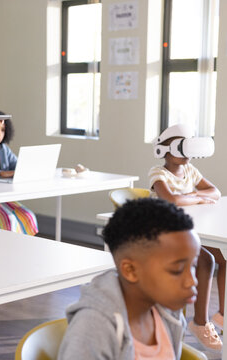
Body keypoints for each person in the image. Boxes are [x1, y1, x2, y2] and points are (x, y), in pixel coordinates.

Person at [59, 198, 199, 359]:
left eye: (193, 266)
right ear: (131, 270)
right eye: (177, 270)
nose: (192, 280)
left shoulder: (169, 312)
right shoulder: (93, 327)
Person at [149, 123, 223, 350]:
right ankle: (200, 322)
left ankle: (222, 313)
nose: (186, 156)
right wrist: (197, 196)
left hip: (188, 229)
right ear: (165, 149)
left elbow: (216, 192)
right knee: (206, 260)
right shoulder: (158, 173)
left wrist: (190, 196)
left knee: (224, 256)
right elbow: (170, 200)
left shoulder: (190, 171)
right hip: (165, 234)